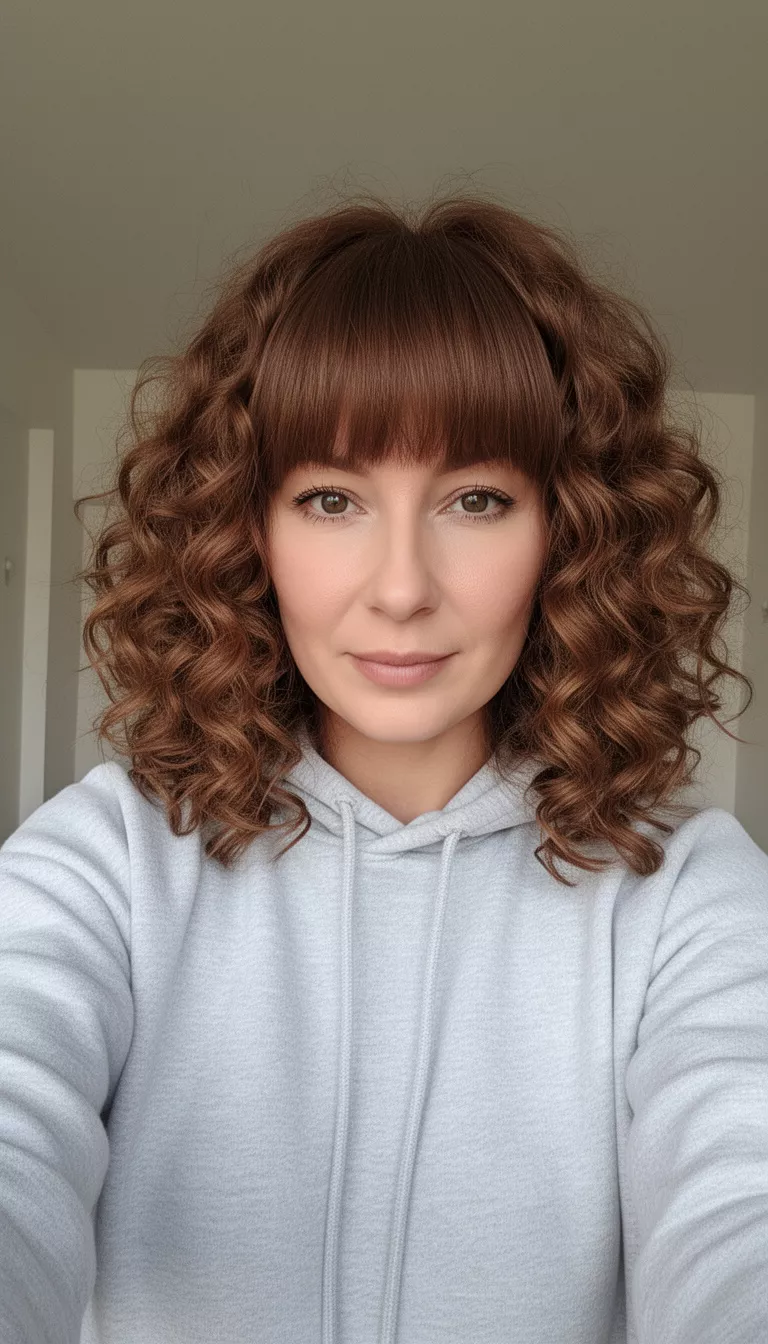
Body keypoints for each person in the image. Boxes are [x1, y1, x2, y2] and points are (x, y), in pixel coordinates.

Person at [1, 191, 767, 1344]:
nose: (402, 587)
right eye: (331, 499)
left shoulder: (687, 894)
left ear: (567, 532)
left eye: (476, 499)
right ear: (248, 531)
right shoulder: (105, 862)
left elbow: (743, 1200)